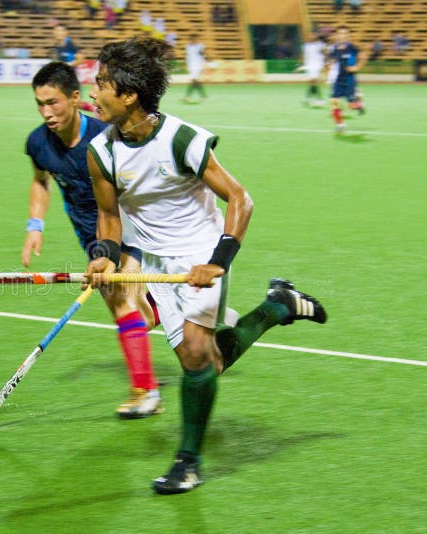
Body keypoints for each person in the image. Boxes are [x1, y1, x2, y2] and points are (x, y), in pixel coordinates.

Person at [84, 37, 327, 494]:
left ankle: (188, 460)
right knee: (205, 363)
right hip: (156, 265)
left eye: (101, 84)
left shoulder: (182, 139)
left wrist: (217, 262)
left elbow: (240, 199)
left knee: (195, 359)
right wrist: (104, 256)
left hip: (200, 255)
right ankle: (277, 307)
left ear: (129, 95)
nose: (93, 93)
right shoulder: (101, 152)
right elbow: (110, 215)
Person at [24, 61, 164, 418]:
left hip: (126, 227)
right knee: (136, 316)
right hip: (90, 235)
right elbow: (41, 180)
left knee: (119, 303)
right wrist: (34, 225)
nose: (46, 112)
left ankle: (146, 392)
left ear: (74, 98)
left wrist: (113, 245)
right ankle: (162, 308)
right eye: (40, 104)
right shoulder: (38, 142)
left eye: (53, 102)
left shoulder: (106, 138)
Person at [329, 25, 365, 133]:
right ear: (337, 35)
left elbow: (363, 56)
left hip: (350, 80)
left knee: (351, 105)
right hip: (338, 80)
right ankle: (340, 124)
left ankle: (357, 102)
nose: (343, 36)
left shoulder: (352, 47)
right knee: (334, 102)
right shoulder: (334, 48)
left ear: (348, 35)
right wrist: (329, 66)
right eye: (340, 33)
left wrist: (357, 67)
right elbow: (331, 61)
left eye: (345, 34)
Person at [301, 33, 327, 107]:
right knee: (311, 83)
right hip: (309, 66)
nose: (311, 36)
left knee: (313, 81)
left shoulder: (320, 45)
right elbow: (304, 55)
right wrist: (303, 64)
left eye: (313, 35)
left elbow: (325, 53)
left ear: (316, 35)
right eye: (310, 35)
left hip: (317, 65)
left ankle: (316, 99)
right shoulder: (306, 46)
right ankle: (311, 99)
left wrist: (324, 62)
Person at [183, 33, 207, 103]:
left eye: (195, 39)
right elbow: (187, 56)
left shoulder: (200, 46)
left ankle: (187, 96)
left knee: (194, 80)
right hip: (191, 65)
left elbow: (203, 54)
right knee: (196, 81)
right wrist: (185, 64)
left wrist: (204, 57)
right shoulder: (187, 46)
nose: (194, 40)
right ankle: (203, 96)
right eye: (192, 39)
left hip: (198, 65)